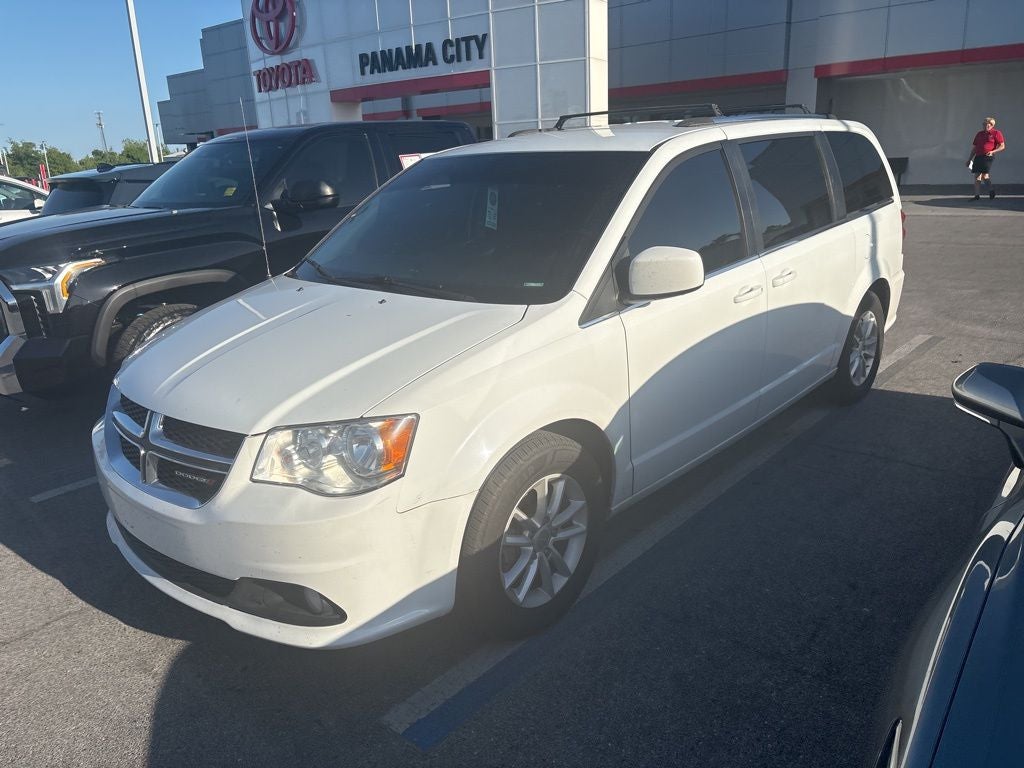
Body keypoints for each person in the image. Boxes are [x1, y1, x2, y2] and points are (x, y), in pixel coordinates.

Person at [968, 116, 1006, 200]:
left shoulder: (996, 133)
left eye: (988, 124)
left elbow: (1002, 146)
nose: (986, 125)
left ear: (992, 125)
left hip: (988, 156)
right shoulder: (979, 134)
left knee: (984, 175)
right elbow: (975, 148)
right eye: (984, 124)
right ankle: (977, 196)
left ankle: (991, 190)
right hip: (978, 156)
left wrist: (993, 151)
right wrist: (970, 159)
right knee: (977, 176)